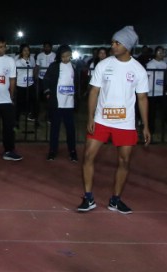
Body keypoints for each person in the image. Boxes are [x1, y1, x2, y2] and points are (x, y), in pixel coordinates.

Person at [78, 27, 149, 214]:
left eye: (117, 43)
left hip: (125, 123)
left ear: (128, 46)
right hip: (101, 120)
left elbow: (142, 98)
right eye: (112, 42)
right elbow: (93, 91)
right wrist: (91, 116)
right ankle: (88, 197)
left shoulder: (138, 70)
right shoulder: (103, 65)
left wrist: (146, 126)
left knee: (124, 161)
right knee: (88, 156)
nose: (113, 46)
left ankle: (115, 200)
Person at [42, 44, 82, 161]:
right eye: (64, 56)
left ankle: (72, 151)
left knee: (70, 128)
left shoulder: (73, 67)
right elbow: (46, 80)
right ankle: (52, 150)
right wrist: (48, 93)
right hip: (57, 103)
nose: (66, 58)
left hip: (69, 104)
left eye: (68, 56)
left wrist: (76, 99)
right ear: (60, 56)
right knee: (55, 128)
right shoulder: (54, 66)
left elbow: (77, 84)